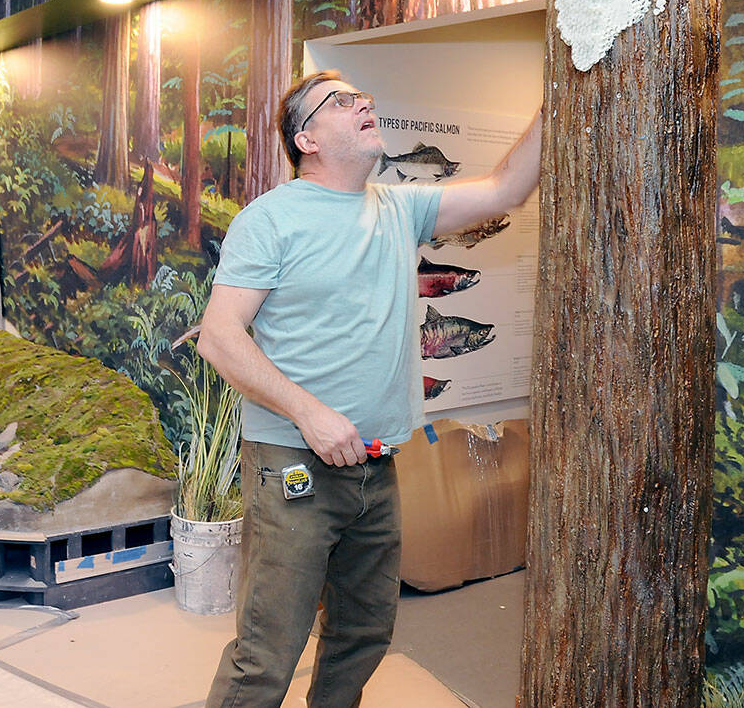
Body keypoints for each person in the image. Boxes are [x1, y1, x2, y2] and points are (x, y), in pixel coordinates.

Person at [197, 69, 541, 707]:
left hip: (377, 463)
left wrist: (563, 94)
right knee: (269, 650)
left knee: (363, 632)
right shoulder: (269, 220)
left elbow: (505, 188)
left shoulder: (398, 207)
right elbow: (219, 337)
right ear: (308, 138)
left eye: (366, 97)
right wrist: (310, 414)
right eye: (344, 101)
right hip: (294, 463)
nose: (365, 104)